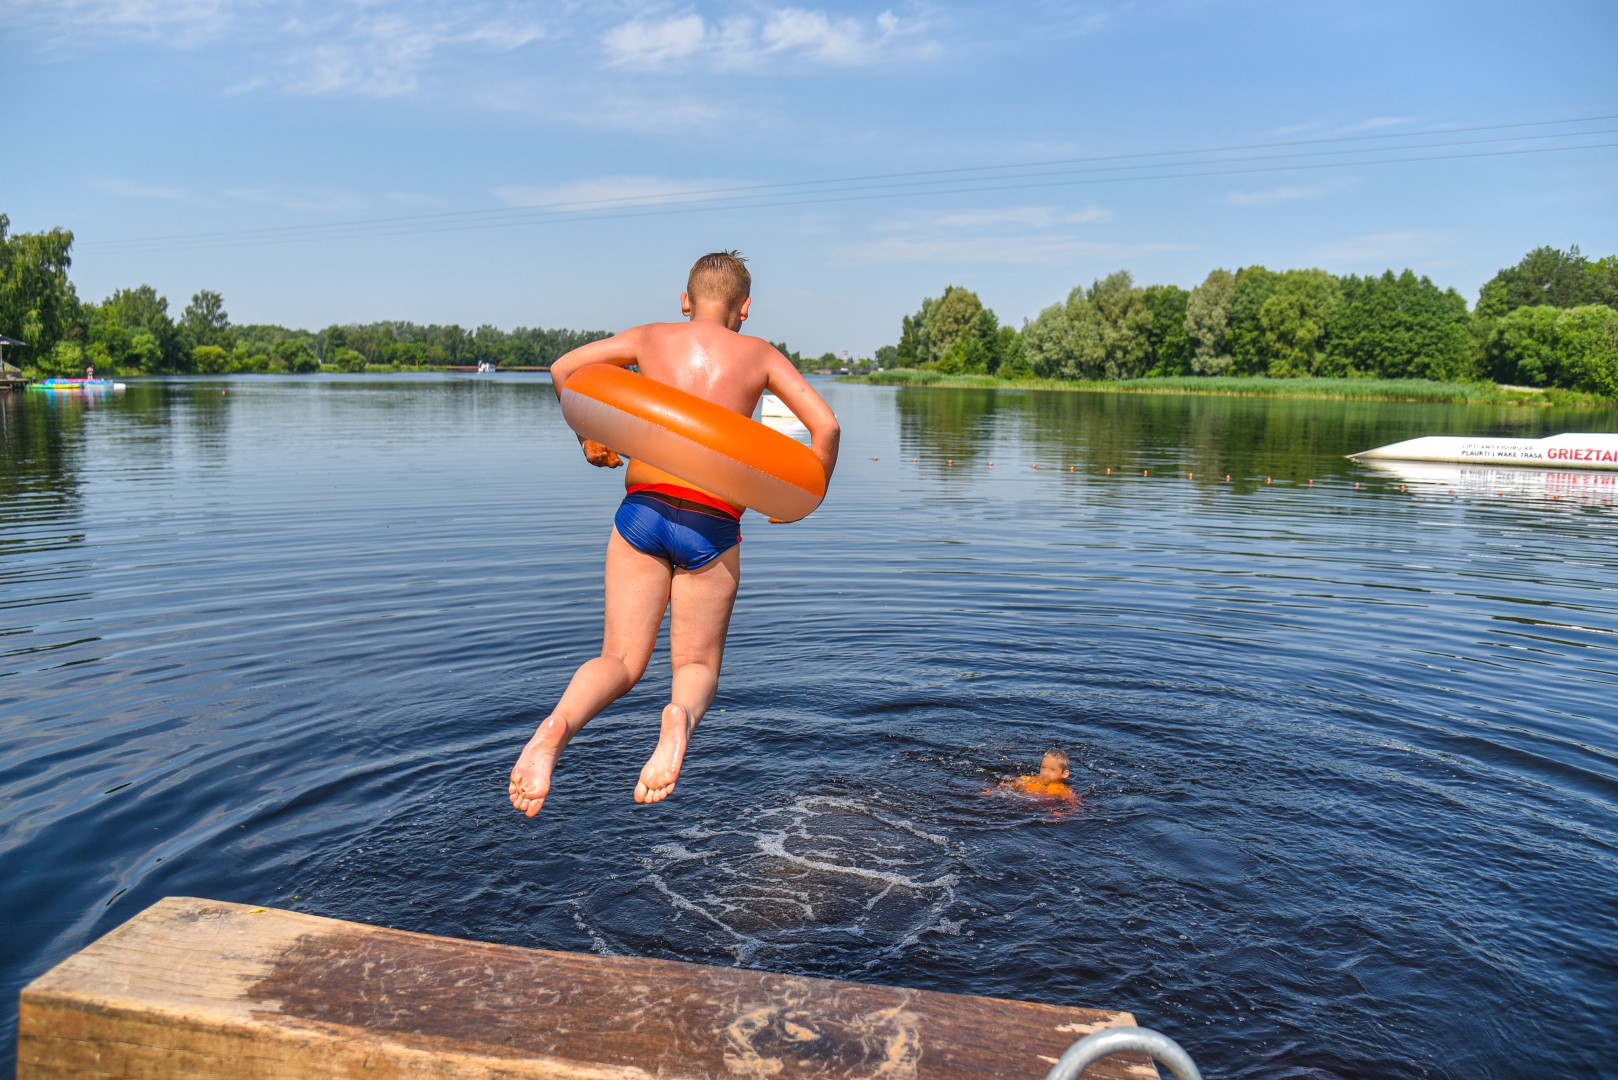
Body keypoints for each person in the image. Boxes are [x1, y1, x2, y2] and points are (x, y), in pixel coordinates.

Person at [508, 252, 840, 818]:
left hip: (643, 511)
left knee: (619, 659)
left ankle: (555, 729)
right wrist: (801, 501)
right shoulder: (759, 353)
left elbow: (564, 370)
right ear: (745, 308)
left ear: (685, 301)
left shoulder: (649, 336)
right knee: (694, 667)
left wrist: (592, 438)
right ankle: (677, 721)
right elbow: (825, 426)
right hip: (711, 522)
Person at [987, 748, 1077, 803]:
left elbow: (1074, 805)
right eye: (1043, 767)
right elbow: (1009, 783)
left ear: (1064, 774)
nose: (1045, 773)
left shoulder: (1063, 790)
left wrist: (1060, 813)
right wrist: (993, 791)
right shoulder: (1031, 779)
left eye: (1052, 770)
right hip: (1020, 801)